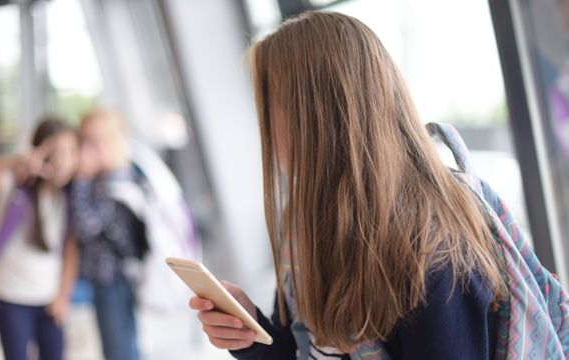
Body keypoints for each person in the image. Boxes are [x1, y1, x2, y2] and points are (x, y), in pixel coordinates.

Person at [189, 11, 508, 359]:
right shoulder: (303, 222)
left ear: (313, 117)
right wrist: (251, 333)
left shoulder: (430, 248)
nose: (261, 126)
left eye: (267, 107)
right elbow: (298, 349)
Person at [0, 117, 80, 360]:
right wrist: (18, 160)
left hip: (50, 300)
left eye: (72, 152)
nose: (64, 161)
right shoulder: (12, 186)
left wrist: (63, 295)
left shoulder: (69, 196)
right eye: (57, 153)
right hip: (12, 298)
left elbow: (71, 249)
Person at [71, 109, 146, 360]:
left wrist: (81, 176)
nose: (86, 149)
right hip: (114, 276)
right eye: (84, 140)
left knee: (118, 350)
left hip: (112, 277)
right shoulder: (113, 175)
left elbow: (86, 226)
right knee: (124, 343)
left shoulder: (115, 180)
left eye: (93, 141)